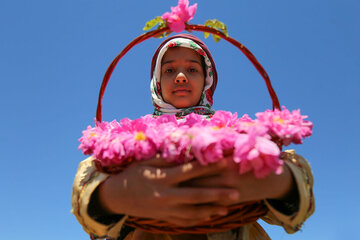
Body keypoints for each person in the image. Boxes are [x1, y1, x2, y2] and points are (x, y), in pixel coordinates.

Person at [71, 34, 315, 240]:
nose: (180, 76)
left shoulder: (237, 130)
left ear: (206, 79)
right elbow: (89, 184)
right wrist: (112, 195)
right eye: (169, 70)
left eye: (192, 69)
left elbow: (293, 195)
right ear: (157, 81)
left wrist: (279, 181)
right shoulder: (132, 136)